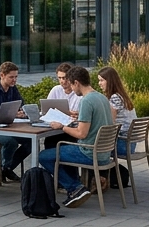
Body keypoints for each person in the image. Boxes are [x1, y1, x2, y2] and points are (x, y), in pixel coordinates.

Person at [36, 66, 112, 208]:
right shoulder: (101, 97)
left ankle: (75, 188)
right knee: (63, 148)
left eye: (71, 84)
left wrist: (62, 127)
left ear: (76, 83)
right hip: (104, 153)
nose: (71, 88)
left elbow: (81, 134)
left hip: (89, 152)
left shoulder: (86, 101)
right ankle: (75, 185)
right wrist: (79, 117)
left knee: (44, 156)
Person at [0, 61, 30, 183]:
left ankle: (6, 168)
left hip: (10, 126)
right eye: (11, 77)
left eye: (16, 77)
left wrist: (21, 112)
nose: (14, 80)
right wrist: (14, 113)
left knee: (30, 143)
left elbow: (21, 105)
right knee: (10, 142)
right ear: (2, 75)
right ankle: (5, 167)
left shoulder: (13, 89)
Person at [97, 66, 137, 157]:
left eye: (102, 80)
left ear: (110, 81)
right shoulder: (121, 95)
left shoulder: (115, 97)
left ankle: (108, 170)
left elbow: (110, 122)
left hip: (123, 144)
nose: (99, 83)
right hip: (130, 143)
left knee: (91, 149)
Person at [42, 63, 82, 150]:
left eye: (64, 78)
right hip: (55, 128)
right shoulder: (56, 90)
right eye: (59, 78)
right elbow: (47, 110)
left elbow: (80, 116)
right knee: (49, 141)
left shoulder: (79, 93)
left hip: (71, 130)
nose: (62, 81)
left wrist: (77, 115)